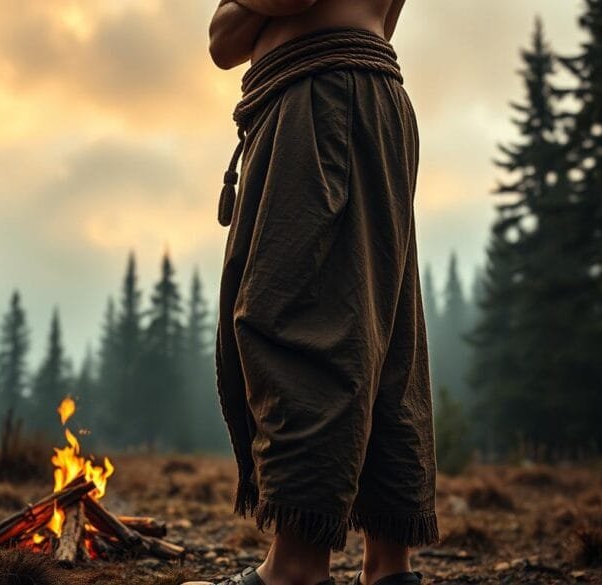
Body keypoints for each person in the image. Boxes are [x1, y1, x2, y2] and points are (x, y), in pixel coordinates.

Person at [184, 2, 438, 585]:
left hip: (322, 100)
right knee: (382, 331)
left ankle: (295, 569)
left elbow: (225, 38)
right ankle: (389, 567)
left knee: (298, 321)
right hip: (354, 93)